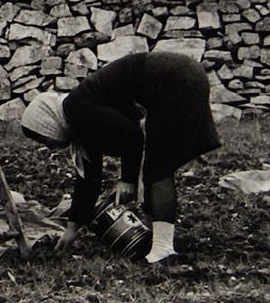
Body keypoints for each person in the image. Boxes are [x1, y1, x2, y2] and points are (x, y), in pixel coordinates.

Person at [20, 51, 222, 265]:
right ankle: (156, 237)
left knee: (158, 168)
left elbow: (133, 137)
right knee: (157, 164)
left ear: (47, 122)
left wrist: (127, 180)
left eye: (44, 139)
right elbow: (90, 178)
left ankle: (163, 250)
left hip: (172, 79)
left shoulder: (77, 109)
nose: (49, 147)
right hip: (183, 73)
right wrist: (71, 229)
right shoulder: (80, 115)